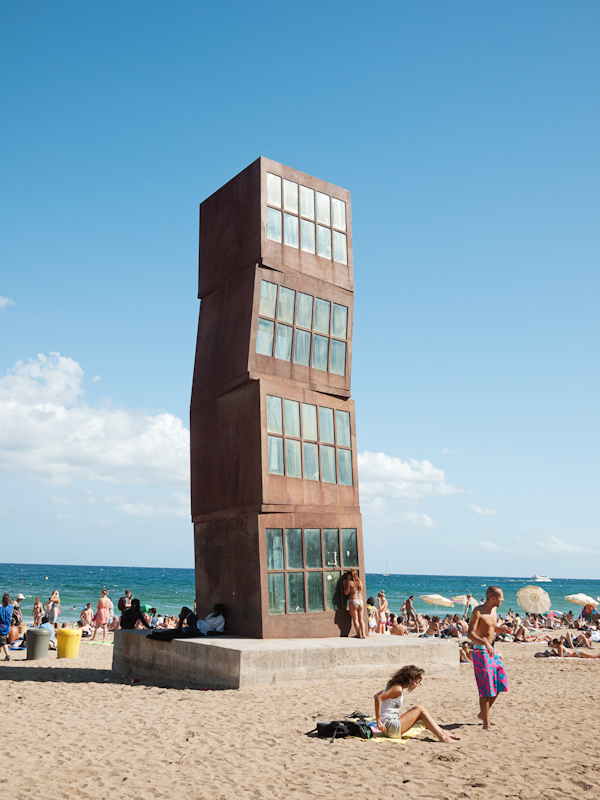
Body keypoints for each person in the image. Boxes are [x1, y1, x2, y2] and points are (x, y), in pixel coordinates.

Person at [374, 665, 461, 742]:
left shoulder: (392, 685)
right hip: (391, 727)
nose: (417, 685)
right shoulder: (398, 689)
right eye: (416, 682)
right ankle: (442, 736)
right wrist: (379, 721)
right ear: (409, 680)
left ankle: (443, 732)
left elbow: (376, 696)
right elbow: (378, 698)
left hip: (388, 726)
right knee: (420, 709)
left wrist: (382, 719)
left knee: (418, 709)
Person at [467, 585, 509, 732]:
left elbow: (490, 628)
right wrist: (484, 641)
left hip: (493, 650)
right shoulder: (478, 611)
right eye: (501, 597)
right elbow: (470, 634)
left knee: (501, 682)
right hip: (481, 652)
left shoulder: (494, 610)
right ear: (493, 598)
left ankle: (483, 714)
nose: (502, 600)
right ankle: (486, 723)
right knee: (486, 688)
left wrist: (501, 629)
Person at [147, 604, 226, 641]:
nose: (214, 612)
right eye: (214, 611)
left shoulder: (221, 619)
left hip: (198, 629)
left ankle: (158, 634)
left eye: (216, 611)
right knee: (184, 609)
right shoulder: (211, 615)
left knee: (177, 632)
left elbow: (219, 631)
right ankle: (180, 625)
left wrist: (211, 633)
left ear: (220, 612)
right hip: (198, 622)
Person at [342, 570, 366, 639]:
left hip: (353, 601)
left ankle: (358, 634)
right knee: (361, 619)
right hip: (360, 601)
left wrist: (344, 584)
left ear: (350, 575)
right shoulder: (360, 583)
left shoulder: (349, 583)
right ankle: (363, 634)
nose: (347, 576)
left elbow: (346, 593)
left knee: (355, 619)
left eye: (348, 575)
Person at [0, 593, 14, 661]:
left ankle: (8, 655)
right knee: (1, 641)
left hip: (1, 627)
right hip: (7, 627)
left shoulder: (1, 609)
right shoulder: (11, 608)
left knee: (4, 642)